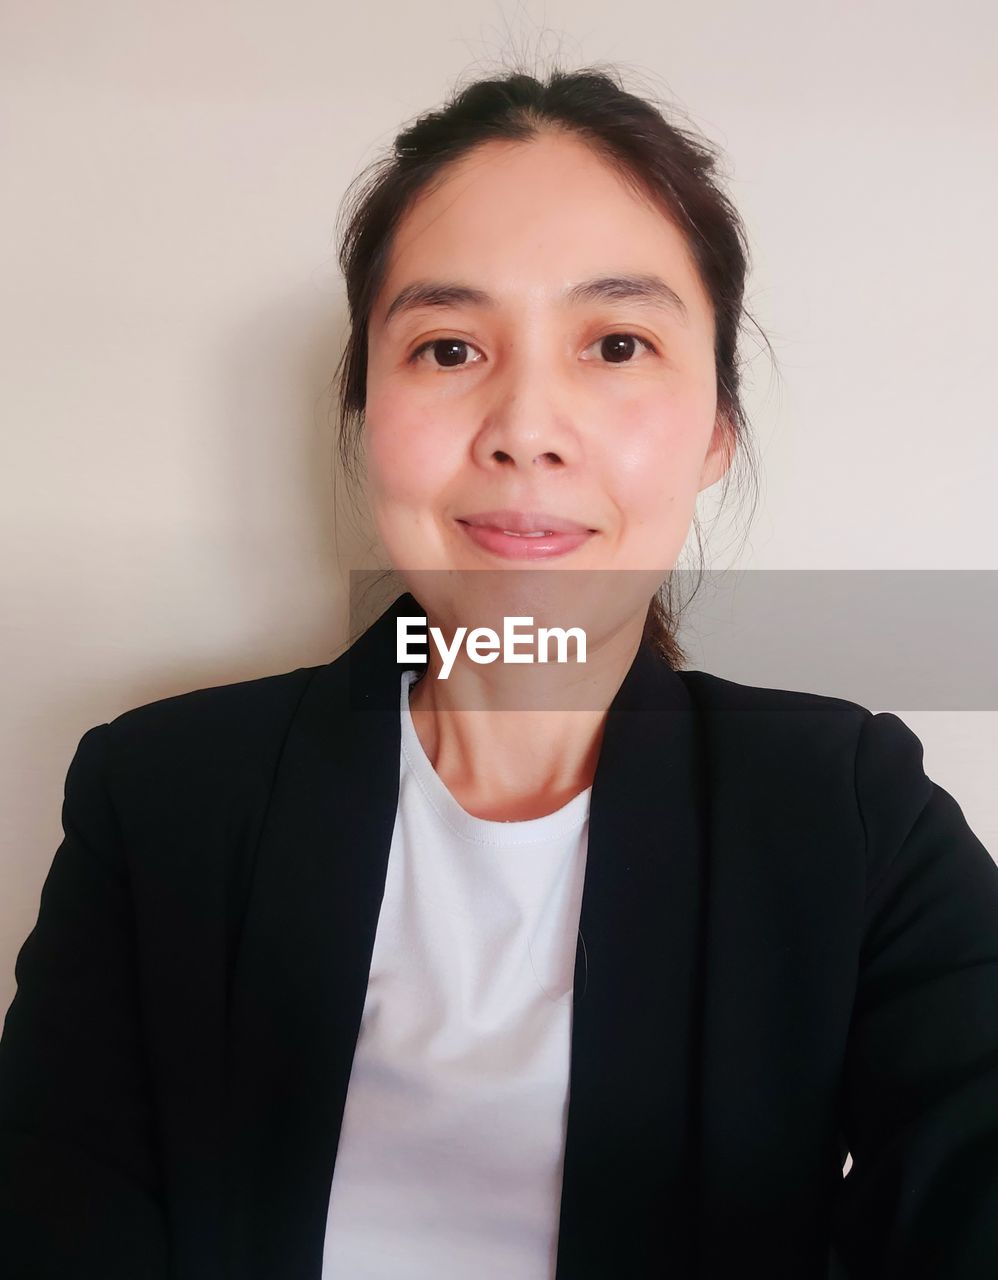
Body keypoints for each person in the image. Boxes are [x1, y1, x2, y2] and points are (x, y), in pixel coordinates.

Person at [1, 63, 997, 1280]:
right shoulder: (158, 796)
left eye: (616, 342)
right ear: (366, 413)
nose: (525, 424)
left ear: (716, 431)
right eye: (448, 345)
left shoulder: (850, 808)